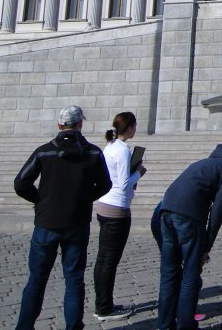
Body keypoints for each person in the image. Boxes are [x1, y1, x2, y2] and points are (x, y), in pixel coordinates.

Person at [14, 105, 112, 330]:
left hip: (46, 222)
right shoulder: (93, 152)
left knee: (36, 280)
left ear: (59, 125)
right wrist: (84, 198)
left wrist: (40, 200)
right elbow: (105, 184)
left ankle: (24, 326)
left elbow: (20, 183)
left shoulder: (44, 152)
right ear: (80, 124)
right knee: (74, 279)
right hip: (77, 223)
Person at [158, 141, 222, 330]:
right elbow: (220, 206)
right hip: (189, 217)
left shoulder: (205, 163)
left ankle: (164, 325)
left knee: (169, 273)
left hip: (166, 212)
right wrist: (207, 244)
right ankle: (186, 326)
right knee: (190, 274)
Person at [93, 112, 145, 320]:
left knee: (103, 259)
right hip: (117, 209)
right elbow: (123, 184)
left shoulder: (111, 146)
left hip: (105, 205)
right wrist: (139, 172)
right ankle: (104, 307)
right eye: (135, 126)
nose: (136, 129)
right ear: (130, 127)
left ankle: (102, 303)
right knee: (109, 261)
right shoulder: (122, 150)